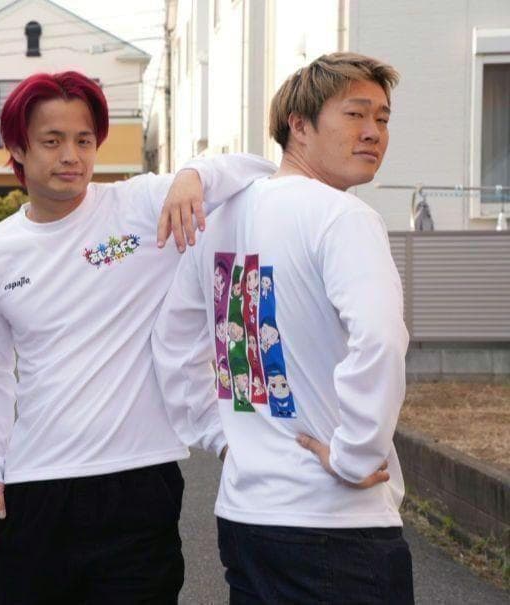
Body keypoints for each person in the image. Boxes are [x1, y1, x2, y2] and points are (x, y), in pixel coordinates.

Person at [0, 71, 278, 603]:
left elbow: (260, 170)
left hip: (139, 480)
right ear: (17, 147)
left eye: (84, 140)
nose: (71, 156)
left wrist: (194, 174)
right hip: (36, 486)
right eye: (52, 141)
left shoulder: (138, 205)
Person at [151, 52, 413, 603]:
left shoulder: (216, 223)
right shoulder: (344, 218)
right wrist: (356, 455)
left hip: (247, 518)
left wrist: (223, 440)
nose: (373, 132)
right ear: (299, 125)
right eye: (355, 114)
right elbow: (381, 339)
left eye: (383, 118)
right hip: (338, 523)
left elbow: (174, 348)